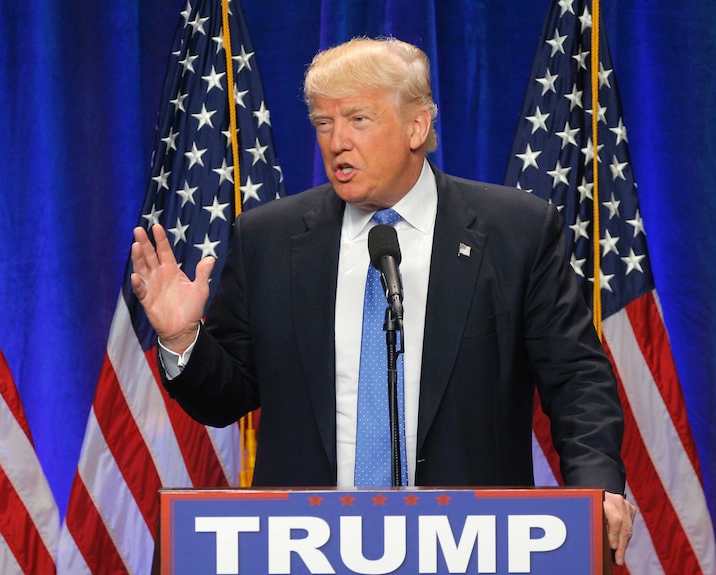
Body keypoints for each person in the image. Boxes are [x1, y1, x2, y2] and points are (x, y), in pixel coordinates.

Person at [130, 37, 636, 564]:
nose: (336, 142)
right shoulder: (269, 239)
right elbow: (226, 397)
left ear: (417, 126)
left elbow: (576, 377)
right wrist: (182, 337)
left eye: (358, 120)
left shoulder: (516, 232)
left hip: (471, 545)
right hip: (308, 548)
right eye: (323, 124)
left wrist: (598, 485)